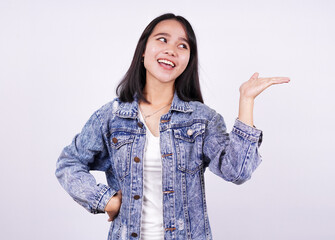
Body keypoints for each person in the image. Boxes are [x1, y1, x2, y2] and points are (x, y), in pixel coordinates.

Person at [55, 13, 290, 240]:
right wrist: (105, 200)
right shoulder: (112, 116)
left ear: (188, 61)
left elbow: (237, 172)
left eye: (182, 46)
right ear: (143, 51)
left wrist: (246, 100)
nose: (171, 50)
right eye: (162, 39)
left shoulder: (202, 119)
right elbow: (69, 163)